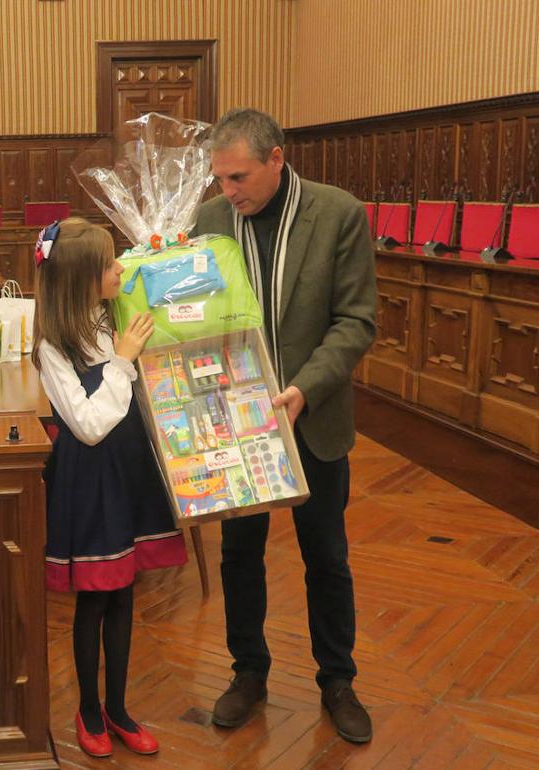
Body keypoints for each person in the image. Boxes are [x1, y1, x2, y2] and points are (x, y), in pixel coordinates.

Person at [193, 108, 377, 743]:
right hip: (236, 422)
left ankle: (338, 680)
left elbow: (356, 321)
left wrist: (303, 388)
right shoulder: (211, 221)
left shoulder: (338, 214)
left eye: (239, 177)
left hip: (313, 414)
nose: (229, 192)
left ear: (276, 159)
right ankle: (248, 672)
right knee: (240, 555)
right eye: (220, 179)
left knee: (325, 555)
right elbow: (196, 320)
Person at [31, 217, 188, 758]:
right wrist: (122, 360)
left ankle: (119, 708)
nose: (120, 269)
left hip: (130, 470)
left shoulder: (114, 315)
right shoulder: (54, 345)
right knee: (95, 599)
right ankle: (89, 709)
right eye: (109, 264)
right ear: (81, 279)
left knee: (125, 594)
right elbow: (90, 424)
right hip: (91, 477)